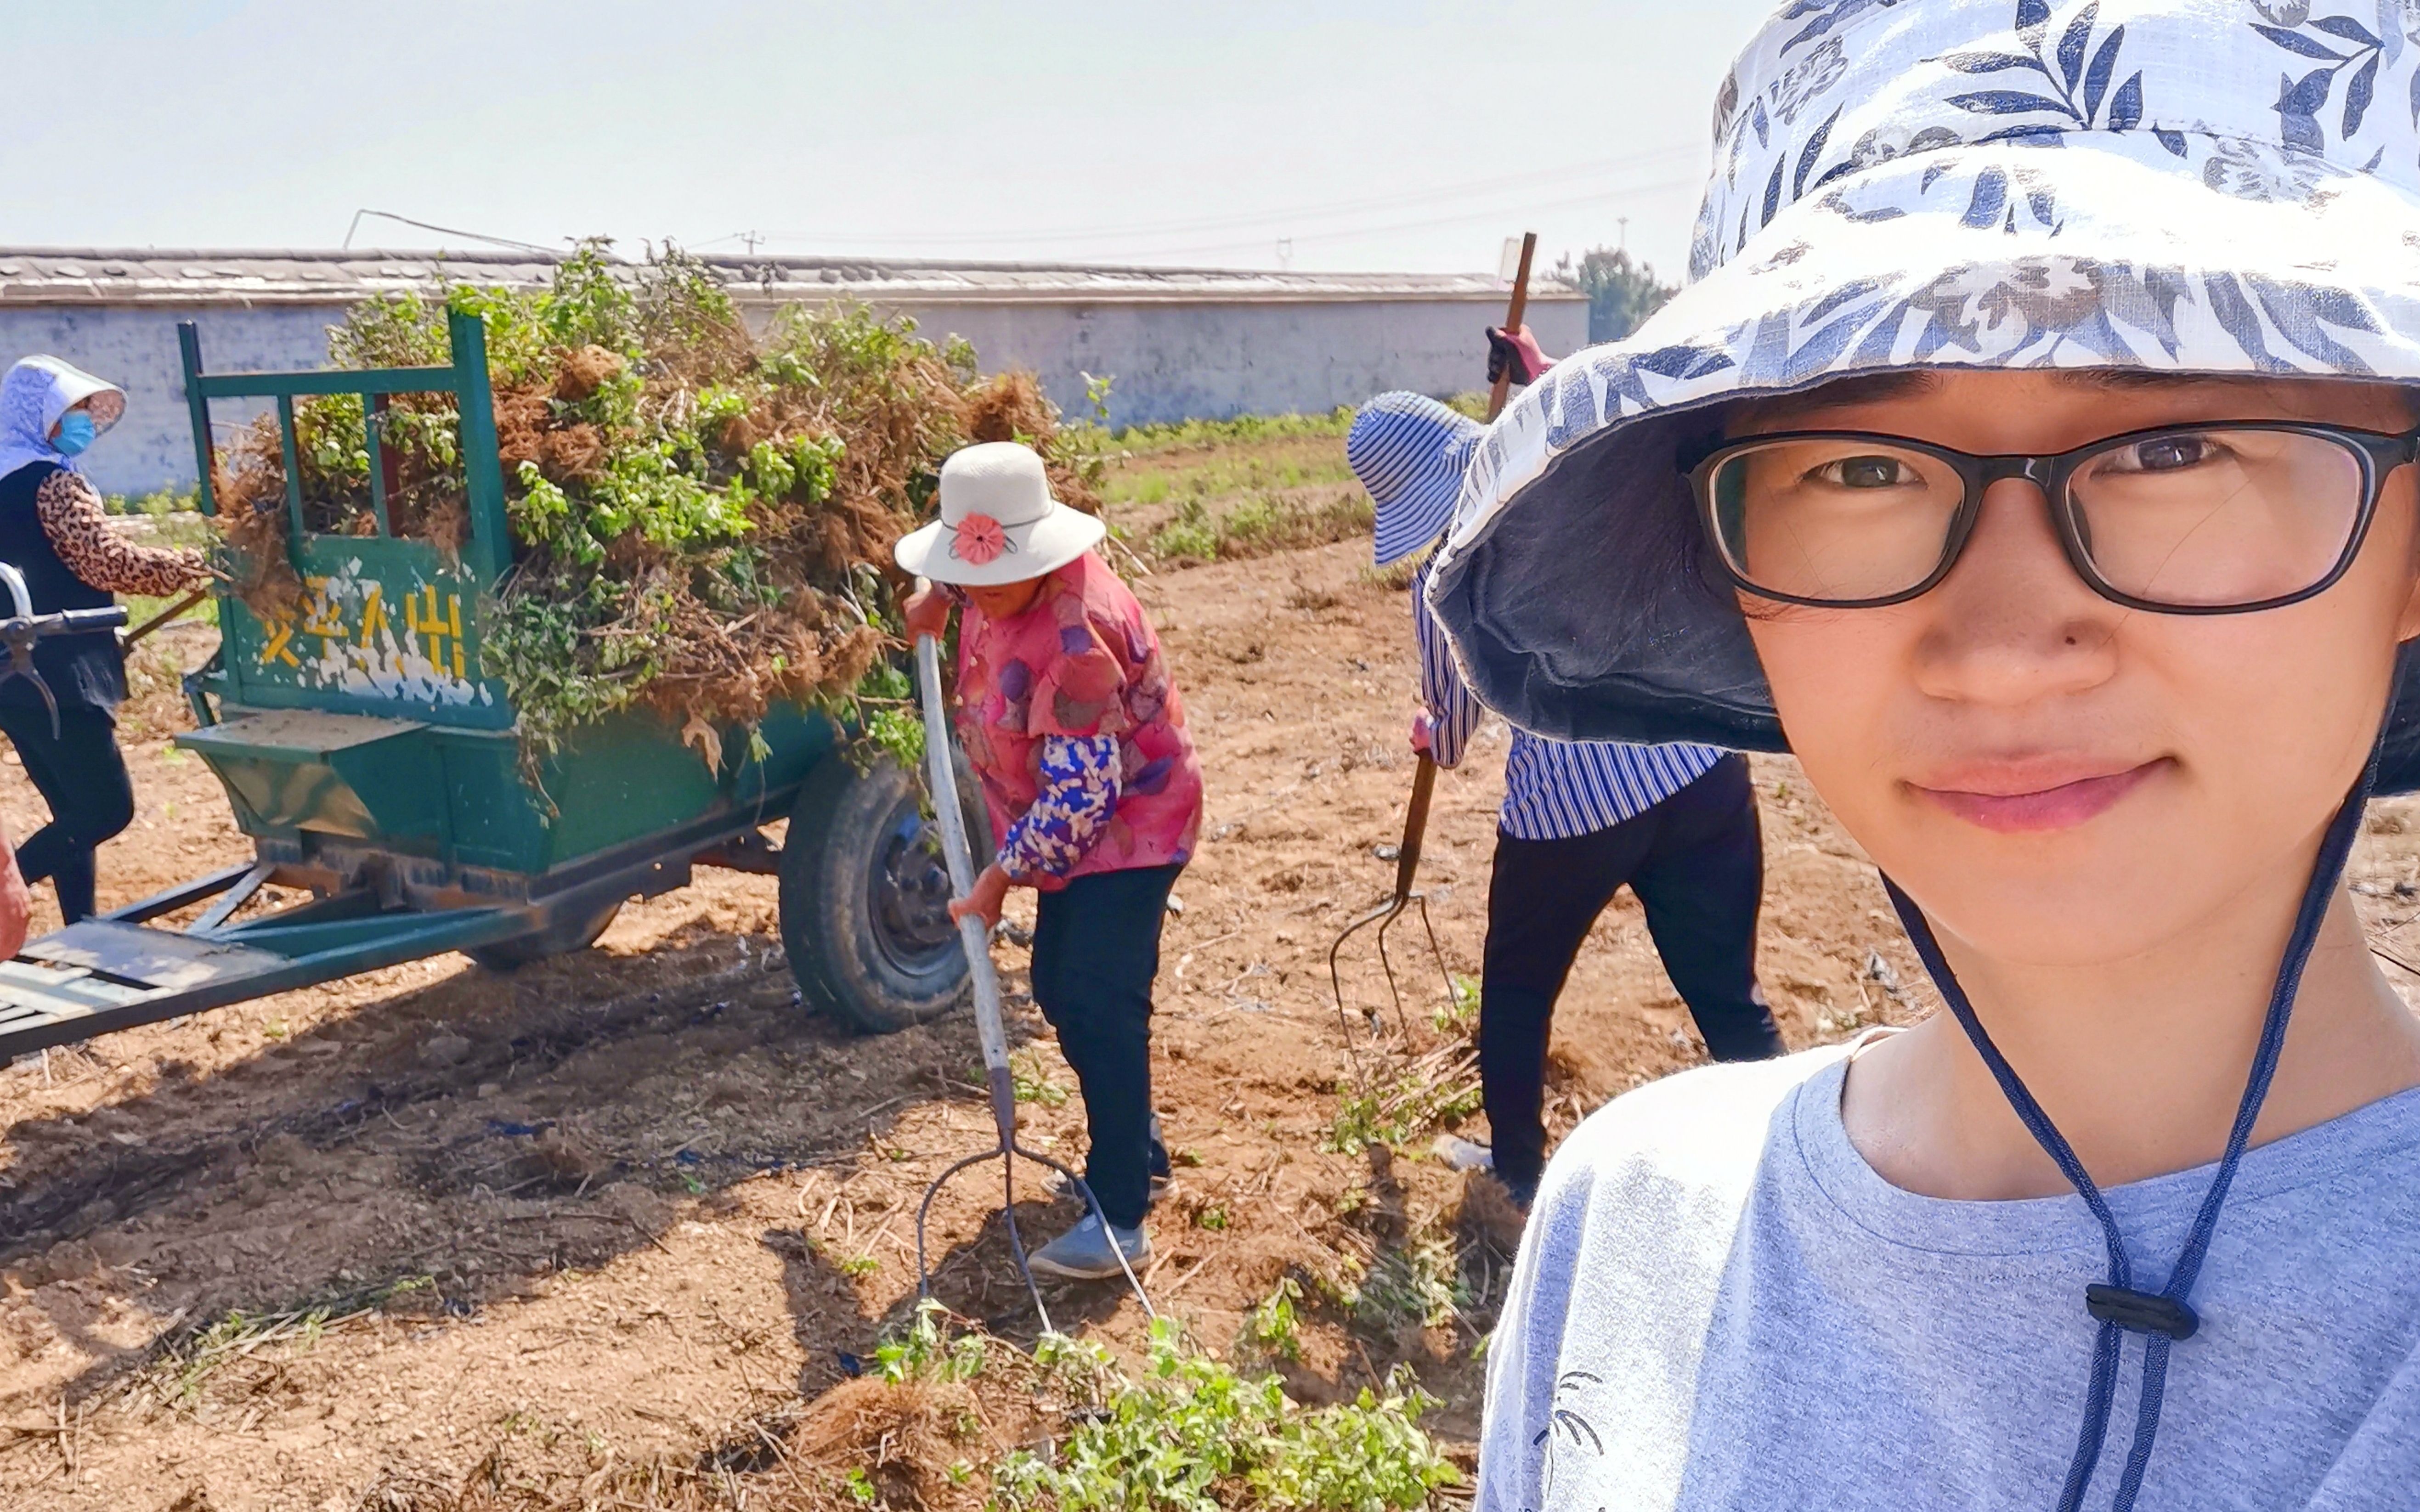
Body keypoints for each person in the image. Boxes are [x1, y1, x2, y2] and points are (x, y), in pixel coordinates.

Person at [1430, 2, 2420, 1506]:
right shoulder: (1631, 1225)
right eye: (1857, 466)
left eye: (2172, 447)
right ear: (1734, 570)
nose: (1998, 645)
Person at [1347, 387, 1784, 1213]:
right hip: (1698, 765)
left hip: (1573, 808)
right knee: (1728, 992)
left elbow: (1454, 721)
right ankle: (1788, 1168)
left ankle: (1515, 1176)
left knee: (1515, 992)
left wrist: (1430, 733)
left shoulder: (1446, 574)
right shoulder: (1585, 489)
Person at [896, 440, 1204, 1282]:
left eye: (989, 575)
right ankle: (1137, 1149)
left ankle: (1120, 1219)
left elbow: (1081, 800)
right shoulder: (992, 580)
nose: (977, 589)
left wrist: (997, 878)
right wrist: (935, 595)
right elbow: (970, 575)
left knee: (1096, 1000)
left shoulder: (1077, 639)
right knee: (1062, 987)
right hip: (1067, 828)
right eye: (966, 572)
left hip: (1130, 825)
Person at [0, 357, 207, 926]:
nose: (84, 422)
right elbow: (106, 561)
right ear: (39, 418)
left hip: (13, 676)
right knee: (106, 809)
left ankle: (81, 932)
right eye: (72, 413)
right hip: (60, 674)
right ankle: (6, 889)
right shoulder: (53, 483)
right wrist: (191, 566)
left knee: (70, 810)